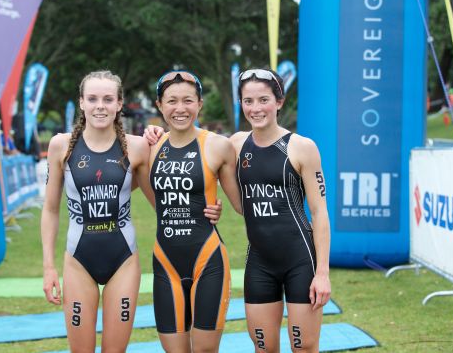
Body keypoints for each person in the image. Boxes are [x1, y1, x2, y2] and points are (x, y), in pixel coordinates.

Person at [145, 68, 331, 353]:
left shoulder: (302, 147)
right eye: (248, 101)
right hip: (259, 263)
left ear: (279, 102)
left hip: (300, 260)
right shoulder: (236, 144)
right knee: (263, 347)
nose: (256, 108)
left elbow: (319, 213)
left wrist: (322, 273)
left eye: (263, 100)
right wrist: (213, 208)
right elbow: (210, 177)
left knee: (304, 346)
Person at [40, 70, 221, 353]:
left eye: (108, 99)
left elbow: (164, 198)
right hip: (78, 260)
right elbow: (50, 210)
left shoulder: (137, 147)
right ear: (82, 103)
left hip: (123, 261)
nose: (100, 105)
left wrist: (207, 207)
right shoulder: (61, 146)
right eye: (93, 98)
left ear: (119, 103)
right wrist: (49, 267)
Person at [150, 70, 242, 353]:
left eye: (188, 101)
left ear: (200, 104)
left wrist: (220, 207)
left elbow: (241, 204)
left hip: (208, 259)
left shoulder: (217, 146)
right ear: (159, 106)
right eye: (172, 101)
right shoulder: (150, 146)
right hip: (166, 263)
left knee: (204, 351)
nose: (180, 109)